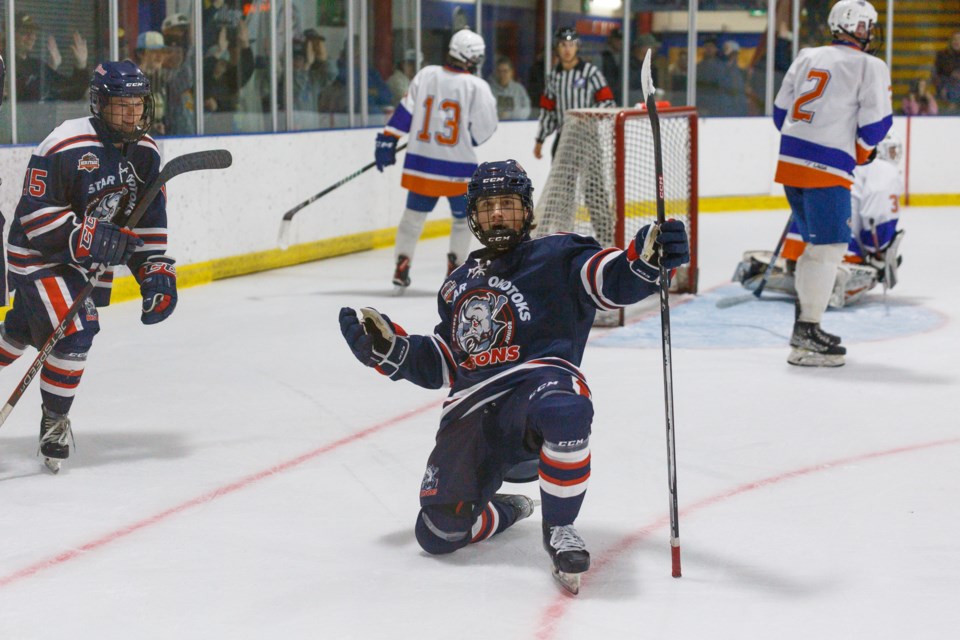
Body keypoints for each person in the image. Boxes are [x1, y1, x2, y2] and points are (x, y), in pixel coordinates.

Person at [337, 159, 690, 594]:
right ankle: (506, 509)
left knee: (566, 406)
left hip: (535, 390)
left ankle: (560, 529)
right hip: (473, 412)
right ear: (474, 215)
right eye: (488, 206)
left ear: (527, 210)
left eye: (508, 203)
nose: (499, 214)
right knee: (437, 534)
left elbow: (609, 279)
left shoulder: (560, 254)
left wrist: (646, 261)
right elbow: (449, 361)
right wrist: (391, 351)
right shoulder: (457, 284)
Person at [0, 60, 177, 473]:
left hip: (83, 263)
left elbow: (148, 226)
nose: (132, 113)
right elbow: (35, 217)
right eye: (122, 105)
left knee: (22, 332)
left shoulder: (148, 153)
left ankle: (23, 342)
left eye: (138, 103)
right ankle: (55, 422)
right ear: (100, 104)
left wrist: (154, 274)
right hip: (37, 256)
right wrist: (86, 236)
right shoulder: (63, 143)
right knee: (77, 329)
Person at [773, 0, 892, 367]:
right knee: (827, 250)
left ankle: (806, 327)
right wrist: (858, 151)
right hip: (825, 170)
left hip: (791, 165)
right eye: (867, 26)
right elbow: (876, 127)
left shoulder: (807, 55)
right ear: (854, 26)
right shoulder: (869, 65)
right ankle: (806, 335)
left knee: (815, 249)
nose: (870, 33)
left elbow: (781, 114)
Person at [374, 28, 497, 292]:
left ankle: (402, 264)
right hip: (458, 169)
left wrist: (389, 138)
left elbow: (405, 113)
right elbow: (484, 130)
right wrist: (466, 138)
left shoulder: (426, 74)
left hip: (422, 164)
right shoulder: (477, 87)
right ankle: (456, 269)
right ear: (472, 57)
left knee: (412, 218)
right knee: (463, 220)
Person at [735, 132, 905, 307]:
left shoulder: (842, 154)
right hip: (836, 247)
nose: (894, 156)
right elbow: (877, 220)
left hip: (797, 246)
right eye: (891, 151)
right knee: (868, 275)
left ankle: (793, 272)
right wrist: (879, 255)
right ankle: (830, 281)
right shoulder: (884, 170)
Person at [533, 27, 615, 161]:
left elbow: (608, 102)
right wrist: (540, 140)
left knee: (593, 181)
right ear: (556, 48)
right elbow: (548, 112)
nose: (567, 49)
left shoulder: (590, 73)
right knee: (562, 182)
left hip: (589, 138)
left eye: (571, 45)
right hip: (564, 139)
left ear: (577, 46)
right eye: (563, 45)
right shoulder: (553, 77)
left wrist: (587, 116)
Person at [13, 12, 89, 102]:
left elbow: (74, 92)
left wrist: (81, 65)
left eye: (33, 32)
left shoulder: (37, 66)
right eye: (25, 32)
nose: (32, 37)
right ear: (10, 34)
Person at [161, 12, 197, 135]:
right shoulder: (161, 62)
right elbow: (176, 84)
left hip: (188, 127)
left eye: (183, 31)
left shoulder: (192, 60)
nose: (181, 35)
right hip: (169, 128)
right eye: (177, 31)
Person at [134, 31, 168, 135]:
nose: (159, 56)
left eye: (161, 52)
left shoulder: (160, 80)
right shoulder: (132, 81)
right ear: (141, 54)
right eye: (154, 51)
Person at [487, 56, 531, 120]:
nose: (502, 74)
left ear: (511, 72)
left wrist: (509, 115)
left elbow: (527, 110)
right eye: (499, 71)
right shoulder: (488, 90)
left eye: (505, 71)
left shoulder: (519, 89)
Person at [601, 28, 623, 104]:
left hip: (621, 95)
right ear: (611, 40)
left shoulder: (625, 57)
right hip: (608, 95)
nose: (619, 42)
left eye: (620, 40)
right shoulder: (604, 56)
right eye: (616, 40)